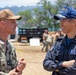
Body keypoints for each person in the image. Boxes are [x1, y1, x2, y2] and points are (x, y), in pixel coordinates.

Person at [43, 6, 76, 75]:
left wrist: (57, 69)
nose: (60, 24)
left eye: (63, 21)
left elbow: (74, 70)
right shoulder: (58, 43)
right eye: (60, 21)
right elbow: (46, 63)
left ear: (74, 22)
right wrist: (63, 64)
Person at [0, 9, 26, 75]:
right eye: (13, 22)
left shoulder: (10, 46)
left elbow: (12, 70)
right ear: (3, 24)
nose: (16, 25)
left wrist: (18, 69)